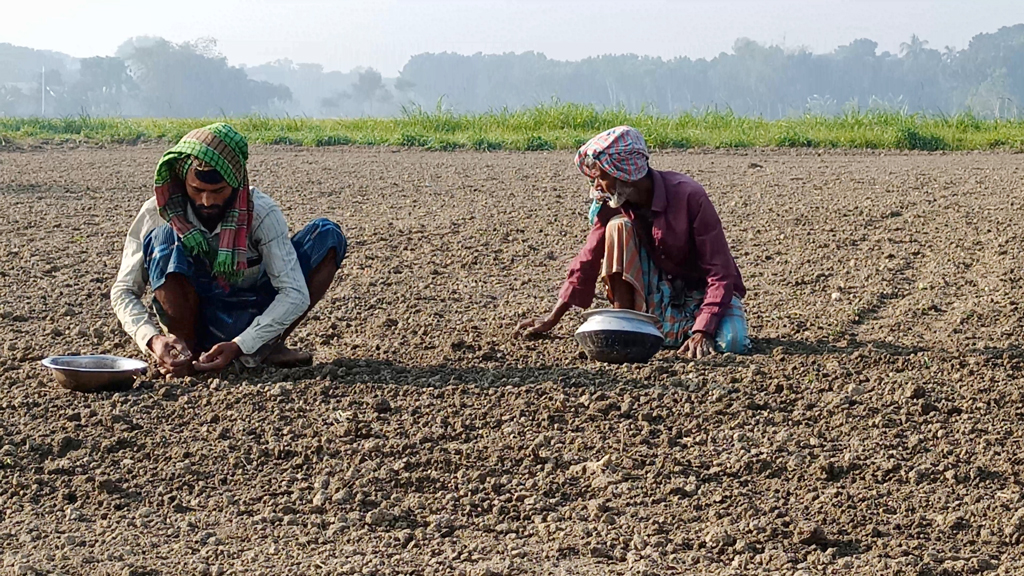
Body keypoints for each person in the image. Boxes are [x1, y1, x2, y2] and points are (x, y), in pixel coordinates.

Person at [110, 123, 347, 376]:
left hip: (248, 318)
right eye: (197, 189)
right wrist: (153, 340)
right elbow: (124, 290)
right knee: (165, 236)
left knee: (326, 235)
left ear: (236, 183)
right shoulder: (156, 213)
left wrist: (241, 345)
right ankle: (181, 355)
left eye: (218, 191)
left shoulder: (261, 213)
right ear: (182, 181)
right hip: (192, 317)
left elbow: (294, 292)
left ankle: (264, 347)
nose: (206, 201)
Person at [517, 126, 749, 359]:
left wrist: (703, 330)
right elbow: (588, 258)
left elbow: (720, 272)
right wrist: (553, 316)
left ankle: (679, 330)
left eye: (601, 177)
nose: (597, 186)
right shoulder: (613, 203)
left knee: (732, 341)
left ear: (624, 174)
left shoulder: (689, 196)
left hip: (700, 292)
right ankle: (626, 323)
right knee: (618, 226)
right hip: (658, 292)